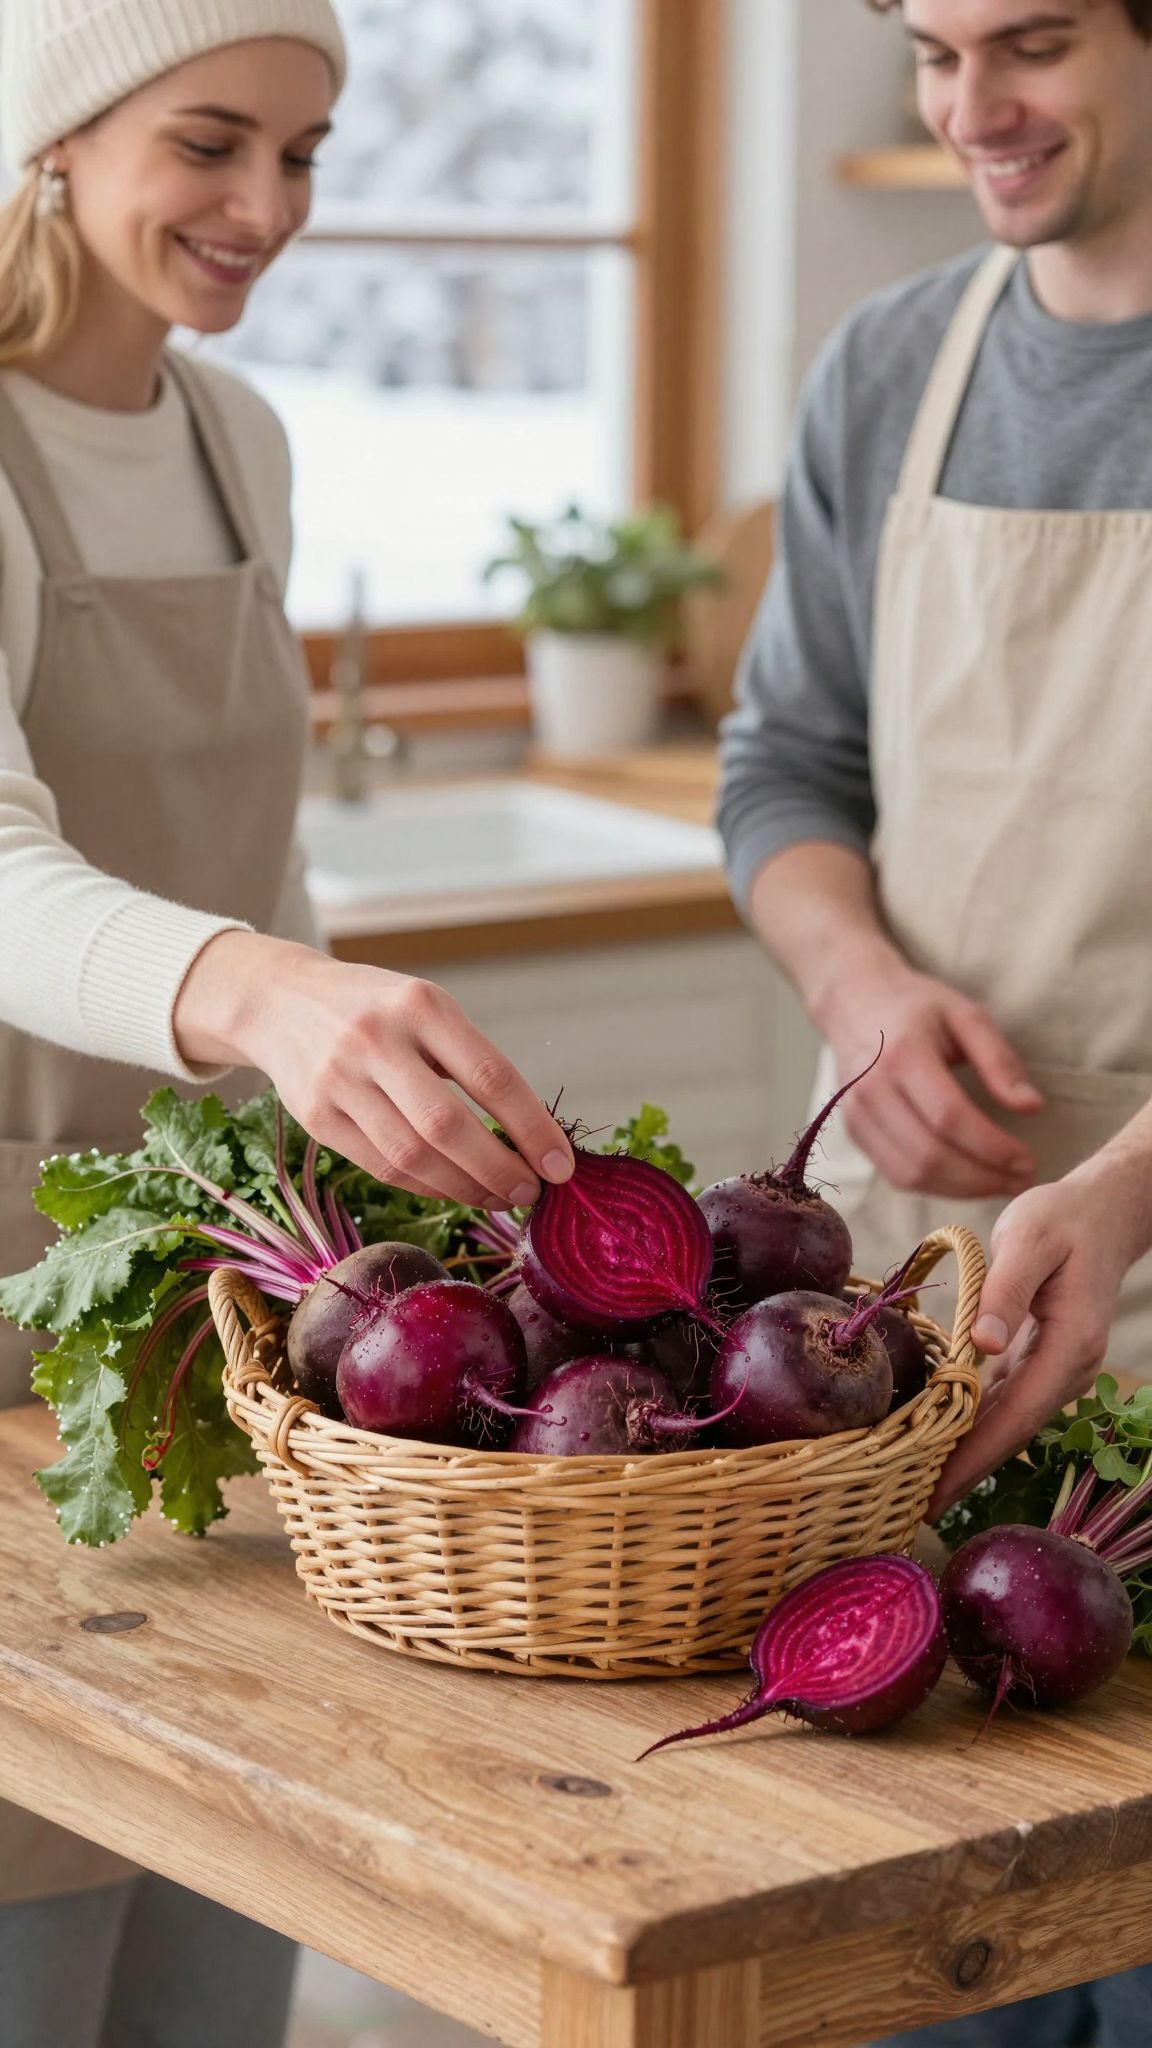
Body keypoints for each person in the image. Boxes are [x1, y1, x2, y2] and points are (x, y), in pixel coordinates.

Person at [0, 4, 574, 2044]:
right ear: (63, 137)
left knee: (238, 1872)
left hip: (206, 1288)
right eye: (211, 140)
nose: (267, 205)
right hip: (7, 1287)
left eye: (306, 153)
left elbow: (268, 855)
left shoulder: (240, 436)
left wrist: (362, 1149)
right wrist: (261, 989)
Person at [717, 1, 1152, 2040]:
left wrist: (1128, 1187)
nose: (973, 108)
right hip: (909, 1322)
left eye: (1032, 40)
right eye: (929, 49)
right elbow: (788, 767)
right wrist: (858, 980)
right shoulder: (890, 367)